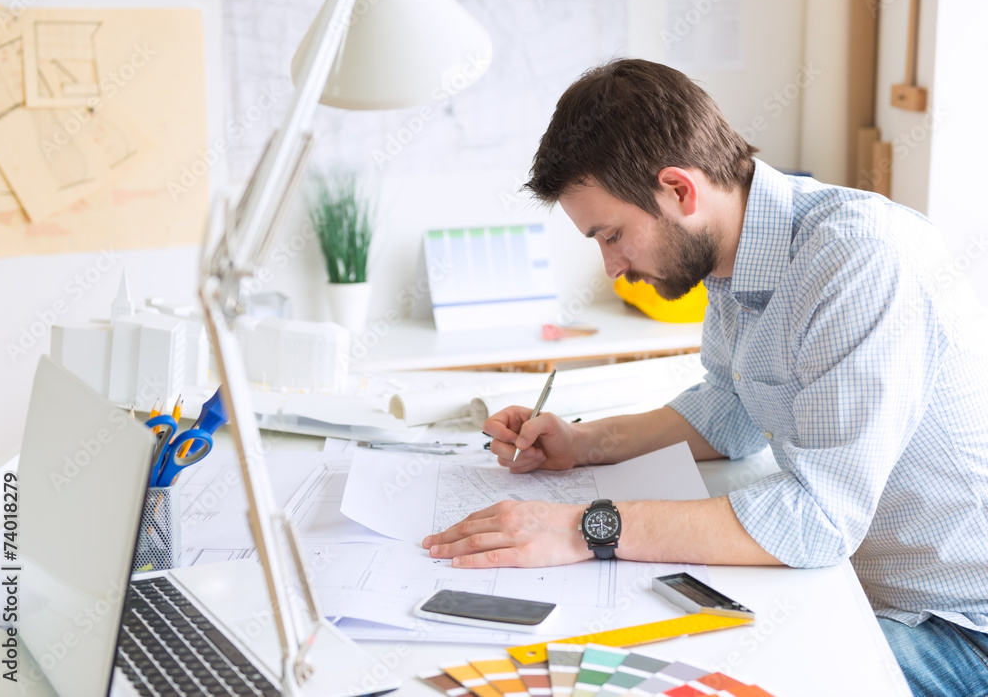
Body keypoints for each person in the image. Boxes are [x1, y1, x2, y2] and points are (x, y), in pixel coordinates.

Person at [421, 59, 988, 696]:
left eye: (612, 234)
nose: (610, 267)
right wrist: (580, 444)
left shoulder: (859, 262)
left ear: (679, 191)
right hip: (850, 583)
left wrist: (584, 527)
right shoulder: (732, 259)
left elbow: (819, 520)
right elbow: (730, 409)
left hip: (953, 625)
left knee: (700, 683)